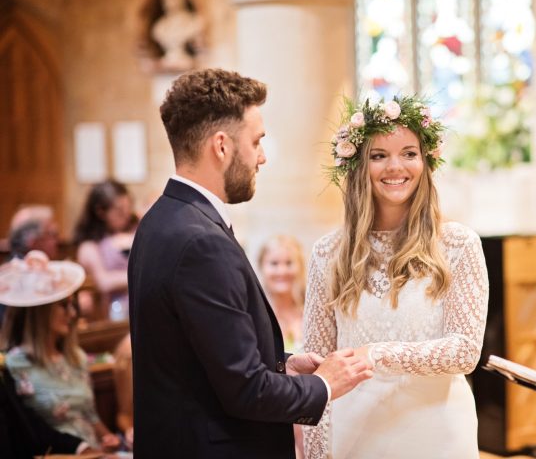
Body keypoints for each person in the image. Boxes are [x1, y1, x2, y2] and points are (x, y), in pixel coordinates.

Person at [128, 68, 373, 458]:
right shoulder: (201, 242)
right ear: (221, 146)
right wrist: (325, 383)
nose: (262, 157)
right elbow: (246, 390)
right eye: (256, 141)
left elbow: (200, 358)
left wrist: (284, 365)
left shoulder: (160, 220)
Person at [302, 95, 489, 458]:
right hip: (355, 433)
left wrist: (377, 354)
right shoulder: (328, 253)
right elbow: (317, 369)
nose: (395, 166)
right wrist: (315, 454)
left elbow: (465, 352)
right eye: (378, 155)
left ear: (425, 161)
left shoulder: (458, 245)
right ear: (359, 164)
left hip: (437, 432)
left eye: (409, 153)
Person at [0, 250, 121, 453]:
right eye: (64, 305)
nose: (72, 314)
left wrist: (110, 440)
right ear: (42, 311)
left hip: (94, 452)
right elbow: (29, 431)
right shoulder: (13, 366)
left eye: (73, 305)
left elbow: (91, 418)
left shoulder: (76, 357)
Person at [73, 179, 137, 321]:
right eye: (120, 211)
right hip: (113, 314)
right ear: (101, 212)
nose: (127, 214)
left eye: (128, 207)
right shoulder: (90, 245)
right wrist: (142, 276)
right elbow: (104, 281)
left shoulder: (134, 230)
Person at [256, 235, 307, 353]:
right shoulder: (256, 314)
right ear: (261, 267)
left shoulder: (311, 312)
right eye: (274, 263)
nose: (282, 271)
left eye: (289, 263)